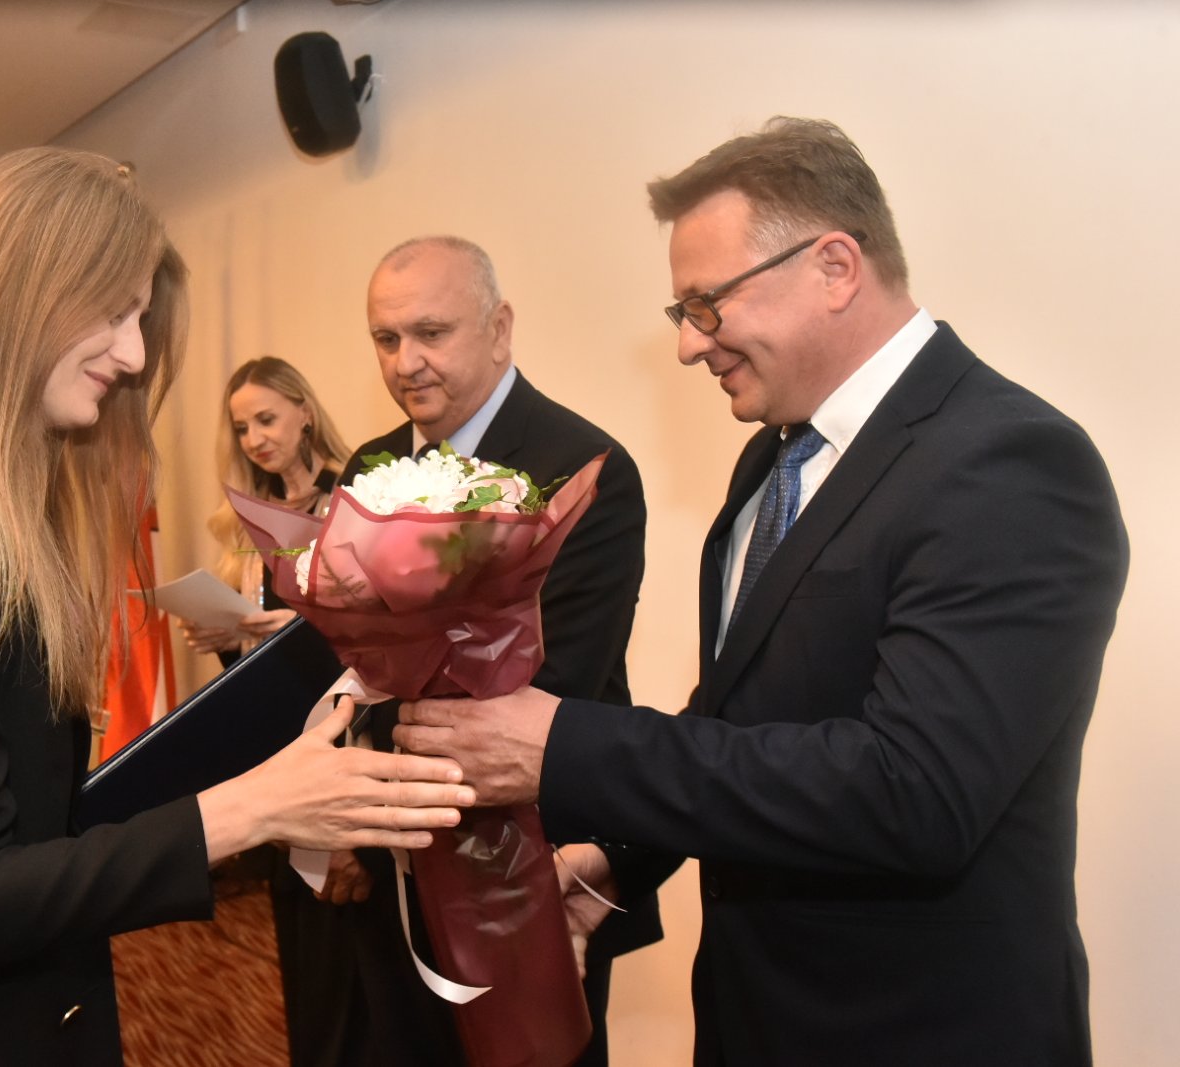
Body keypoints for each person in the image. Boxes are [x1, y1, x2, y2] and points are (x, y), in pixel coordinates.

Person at [396, 118, 1129, 1066]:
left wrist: (565, 746)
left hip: (918, 1031)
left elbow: (915, 790)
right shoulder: (773, 459)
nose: (688, 346)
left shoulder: (1008, 461)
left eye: (706, 305)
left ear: (834, 267)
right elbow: (740, 720)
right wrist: (621, 859)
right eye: (681, 312)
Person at [0, 146, 474, 1067]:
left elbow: (21, 820)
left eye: (139, 319)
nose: (135, 354)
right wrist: (250, 808)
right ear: (16, 295)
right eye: (114, 313)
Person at [278, 235, 653, 1067]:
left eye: (431, 332)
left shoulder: (582, 466)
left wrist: (379, 793)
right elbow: (346, 657)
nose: (405, 361)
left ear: (499, 328)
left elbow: (560, 676)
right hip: (393, 863)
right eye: (385, 338)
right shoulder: (371, 465)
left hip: (526, 863)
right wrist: (349, 812)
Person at [179, 356, 351, 662]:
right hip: (273, 686)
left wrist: (302, 633)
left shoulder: (354, 495)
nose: (253, 440)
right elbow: (249, 652)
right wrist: (225, 638)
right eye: (241, 428)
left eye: (266, 420)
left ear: (305, 414)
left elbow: (378, 631)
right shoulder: (248, 514)